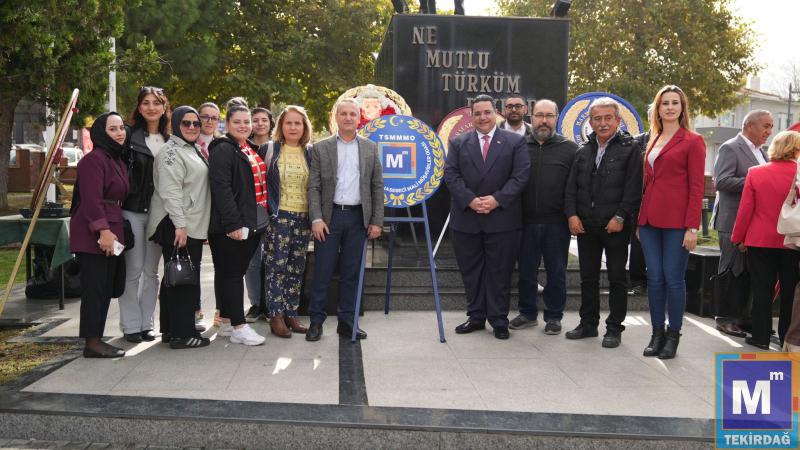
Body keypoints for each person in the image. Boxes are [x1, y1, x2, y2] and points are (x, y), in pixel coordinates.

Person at [444, 94, 530, 340]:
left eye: (487, 112)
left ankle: (499, 320)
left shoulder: (515, 142)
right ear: (472, 116)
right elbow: (451, 175)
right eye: (478, 113)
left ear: (496, 114)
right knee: (471, 272)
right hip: (467, 219)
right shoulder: (458, 142)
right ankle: (476, 317)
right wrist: (470, 200)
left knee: (500, 272)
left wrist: (497, 199)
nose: (482, 117)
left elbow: (520, 176)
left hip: (502, 219)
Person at [563, 97, 643, 348]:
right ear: (590, 121)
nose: (603, 123)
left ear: (618, 120)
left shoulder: (630, 149)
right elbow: (571, 188)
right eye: (597, 118)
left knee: (617, 278)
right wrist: (572, 215)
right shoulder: (583, 151)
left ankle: (614, 328)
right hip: (586, 226)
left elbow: (633, 188)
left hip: (615, 226)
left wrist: (620, 216)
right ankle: (588, 324)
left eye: (608, 118)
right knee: (588, 278)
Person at [306, 98, 384, 341]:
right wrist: (316, 218)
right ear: (336, 117)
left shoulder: (370, 148)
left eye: (352, 114)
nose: (348, 117)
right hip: (329, 219)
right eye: (344, 113)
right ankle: (316, 323)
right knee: (322, 272)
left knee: (352, 274)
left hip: (358, 219)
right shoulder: (321, 148)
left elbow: (377, 186)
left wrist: (377, 221)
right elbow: (313, 186)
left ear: (359, 118)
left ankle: (347, 323)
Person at [638, 85, 706, 359]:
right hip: (649, 221)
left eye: (674, 102)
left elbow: (697, 188)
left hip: (678, 223)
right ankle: (657, 333)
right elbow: (647, 183)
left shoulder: (693, 141)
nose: (669, 107)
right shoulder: (652, 139)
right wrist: (640, 221)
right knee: (654, 279)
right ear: (658, 108)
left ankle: (673, 335)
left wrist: (692, 227)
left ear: (682, 108)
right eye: (664, 103)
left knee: (673, 279)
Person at [146, 106, 211, 349]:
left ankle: (171, 329)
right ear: (175, 125)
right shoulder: (170, 152)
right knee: (183, 279)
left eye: (196, 123)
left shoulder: (190, 148)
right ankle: (183, 335)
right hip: (178, 224)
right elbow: (170, 191)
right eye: (186, 123)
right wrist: (180, 225)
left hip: (188, 222)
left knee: (174, 277)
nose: (192, 127)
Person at [510, 99, 577, 334]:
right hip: (524, 222)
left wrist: (572, 215)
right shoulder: (518, 146)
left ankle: (554, 316)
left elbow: (574, 187)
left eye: (549, 116)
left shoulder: (570, 149)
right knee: (526, 272)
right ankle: (527, 313)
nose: (544, 121)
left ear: (556, 118)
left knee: (556, 272)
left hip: (557, 223)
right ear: (531, 117)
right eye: (540, 115)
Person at [731, 130, 800, 350]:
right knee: (790, 291)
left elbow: (746, 210)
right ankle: (787, 337)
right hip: (793, 241)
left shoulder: (756, 173)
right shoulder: (798, 174)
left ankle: (760, 336)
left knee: (762, 290)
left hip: (759, 240)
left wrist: (738, 238)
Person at [207, 102, 267, 346]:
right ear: (227, 124)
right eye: (237, 122)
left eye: (246, 122)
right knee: (232, 275)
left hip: (250, 222)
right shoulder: (223, 149)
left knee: (228, 273)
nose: (243, 126)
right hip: (231, 226)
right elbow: (221, 189)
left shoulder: (246, 147)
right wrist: (232, 224)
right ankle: (239, 327)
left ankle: (226, 321)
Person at [70, 112, 129, 358]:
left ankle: (97, 339)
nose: (120, 133)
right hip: (95, 232)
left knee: (105, 288)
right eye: (113, 129)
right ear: (101, 133)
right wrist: (103, 231)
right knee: (94, 289)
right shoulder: (93, 160)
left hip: (111, 228)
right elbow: (91, 200)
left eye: (121, 128)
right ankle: (92, 342)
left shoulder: (115, 158)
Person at [712, 110, 774, 338]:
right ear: (749, 125)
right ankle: (725, 319)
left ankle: (744, 319)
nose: (769, 131)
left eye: (771, 126)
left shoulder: (762, 152)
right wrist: (757, 180)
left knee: (749, 272)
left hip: (754, 224)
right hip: (732, 221)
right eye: (766, 126)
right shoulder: (730, 147)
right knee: (731, 270)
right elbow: (722, 181)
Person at [120, 86, 170, 344]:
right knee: (134, 270)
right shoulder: (129, 137)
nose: (151, 107)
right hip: (133, 210)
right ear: (139, 107)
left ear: (164, 107)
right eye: (146, 103)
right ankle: (130, 325)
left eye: (156, 103)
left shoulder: (171, 139)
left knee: (151, 271)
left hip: (160, 214)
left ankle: (146, 323)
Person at [261, 106, 313, 338]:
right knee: (276, 268)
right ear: (281, 126)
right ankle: (276, 315)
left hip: (303, 218)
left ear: (304, 127)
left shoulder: (310, 152)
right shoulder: (270, 149)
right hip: (278, 217)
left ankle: (291, 313)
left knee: (296, 268)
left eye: (297, 123)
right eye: (288, 123)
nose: (293, 127)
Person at [244, 106, 274, 323]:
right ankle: (256, 303)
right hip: (251, 212)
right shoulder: (243, 147)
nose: (260, 123)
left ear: (271, 123)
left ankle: (271, 304)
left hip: (274, 211)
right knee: (253, 261)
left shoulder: (277, 146)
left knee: (272, 260)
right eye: (255, 120)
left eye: (264, 120)